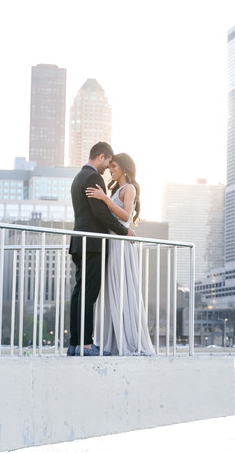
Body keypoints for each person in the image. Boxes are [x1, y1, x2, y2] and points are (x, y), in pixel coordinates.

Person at [85, 152, 155, 356]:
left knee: (122, 287)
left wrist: (105, 199)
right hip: (112, 242)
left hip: (120, 245)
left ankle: (128, 340)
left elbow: (126, 215)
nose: (111, 170)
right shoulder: (117, 188)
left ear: (124, 168)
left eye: (114, 167)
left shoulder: (129, 188)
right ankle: (113, 339)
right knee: (111, 289)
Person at [68, 142, 134, 356]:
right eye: (108, 163)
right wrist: (124, 232)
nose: (107, 168)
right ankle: (86, 345)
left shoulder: (78, 177)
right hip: (93, 244)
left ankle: (75, 344)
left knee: (79, 293)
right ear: (102, 156)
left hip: (79, 242)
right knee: (89, 294)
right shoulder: (94, 178)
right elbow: (100, 214)